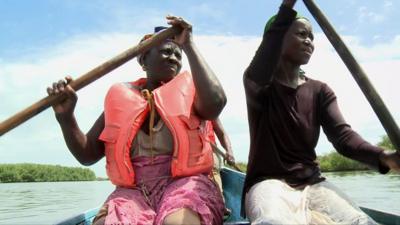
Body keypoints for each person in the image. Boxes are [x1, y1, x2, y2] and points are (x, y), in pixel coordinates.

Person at [47, 15, 227, 225]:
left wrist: (188, 45)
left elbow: (216, 103)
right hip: (135, 191)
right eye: (166, 51)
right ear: (143, 60)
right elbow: (87, 155)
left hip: (185, 184)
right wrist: (66, 118)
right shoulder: (122, 101)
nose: (173, 58)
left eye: (178, 55)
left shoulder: (193, 96)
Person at [242, 0, 400, 224]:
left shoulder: (320, 90)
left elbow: (343, 138)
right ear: (277, 38)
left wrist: (384, 157)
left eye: (312, 37)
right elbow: (263, 59)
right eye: (301, 34)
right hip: (269, 182)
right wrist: (287, 7)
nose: (309, 41)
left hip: (313, 182)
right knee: (272, 221)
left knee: (361, 221)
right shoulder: (257, 84)